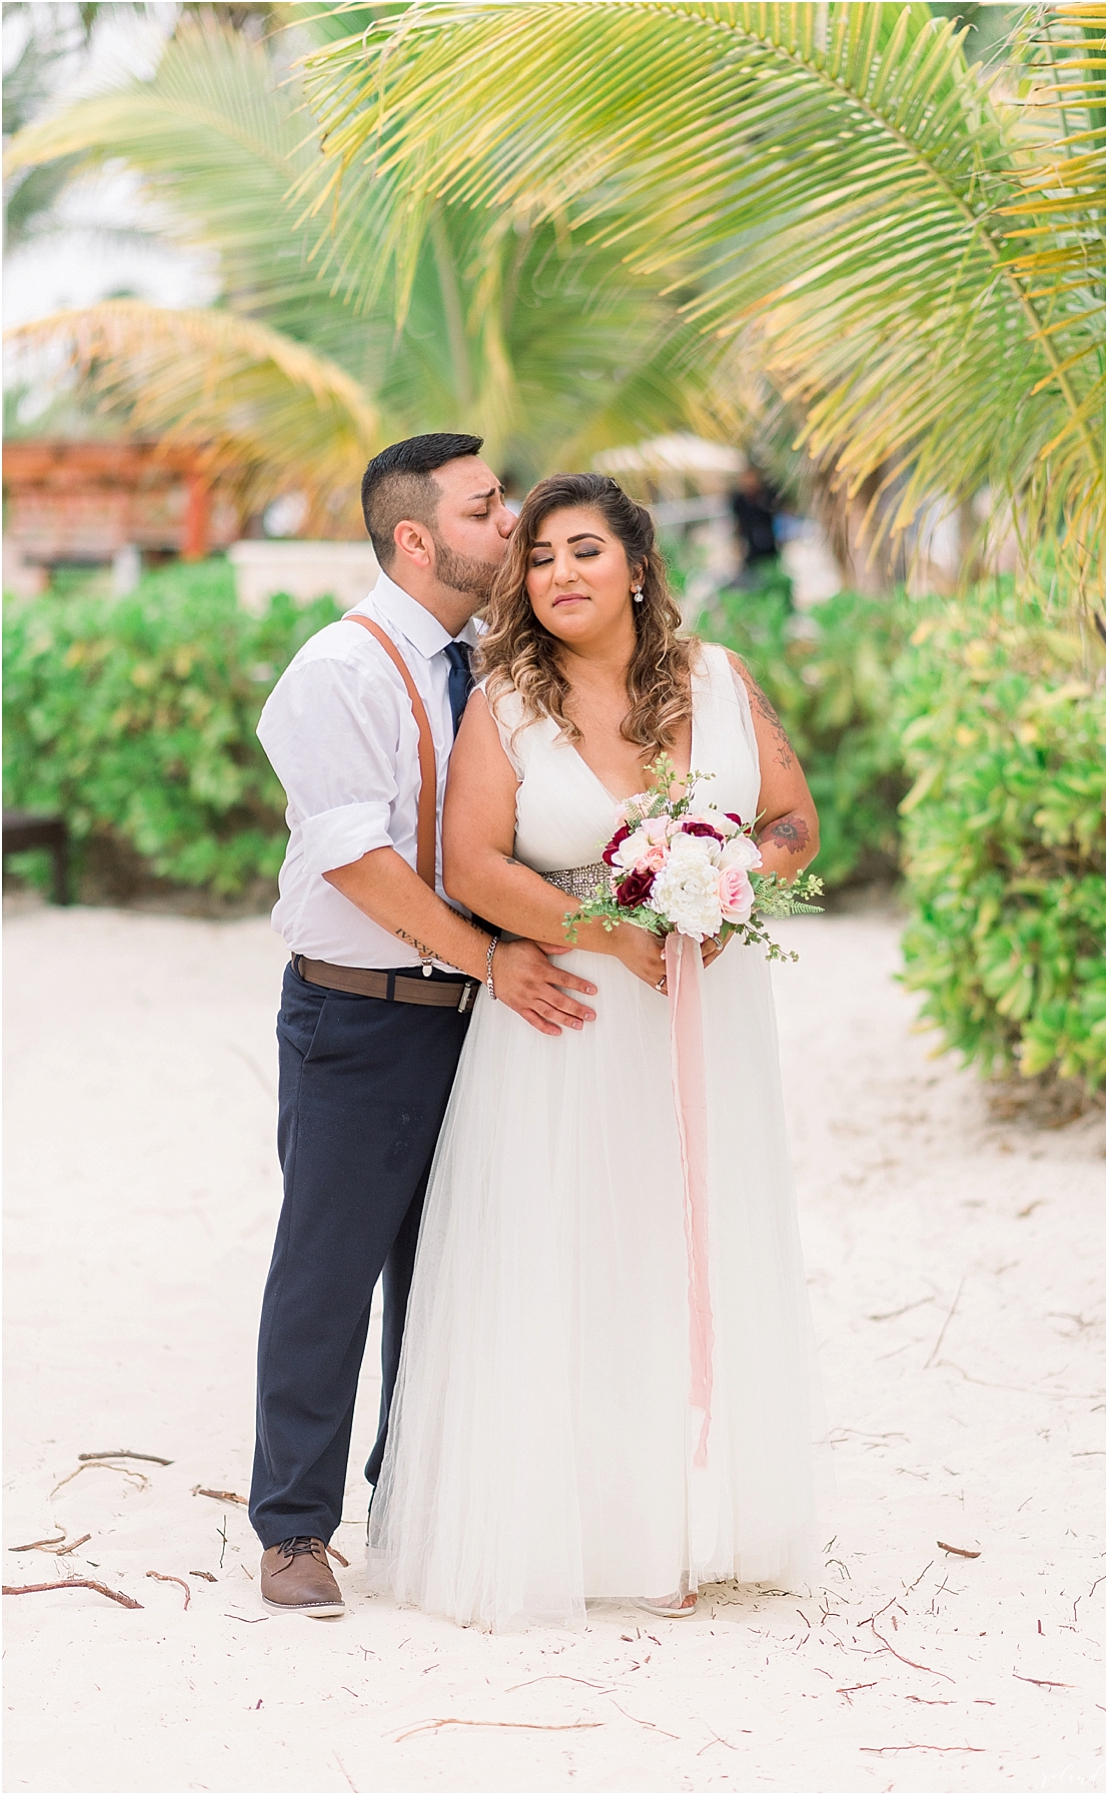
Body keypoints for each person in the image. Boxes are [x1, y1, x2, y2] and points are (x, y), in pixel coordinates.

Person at [368, 471, 822, 1630]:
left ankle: (687, 1520)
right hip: (565, 1011)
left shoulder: (718, 680)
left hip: (701, 1013)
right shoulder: (505, 703)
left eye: (584, 550)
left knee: (687, 1245)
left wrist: (727, 888)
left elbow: (792, 824)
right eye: (541, 558)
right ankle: (581, 1526)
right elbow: (471, 867)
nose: (560, 573)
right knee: (571, 1251)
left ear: (635, 563)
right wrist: (601, 929)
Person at [250, 435, 600, 1618]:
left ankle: (415, 1498)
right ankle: (294, 1525)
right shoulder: (338, 672)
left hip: (490, 1018)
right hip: (362, 1015)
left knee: (453, 1269)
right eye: (489, 507)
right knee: (329, 1268)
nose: (511, 525)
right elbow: (358, 861)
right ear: (417, 537)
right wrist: (493, 955)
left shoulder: (500, 663)